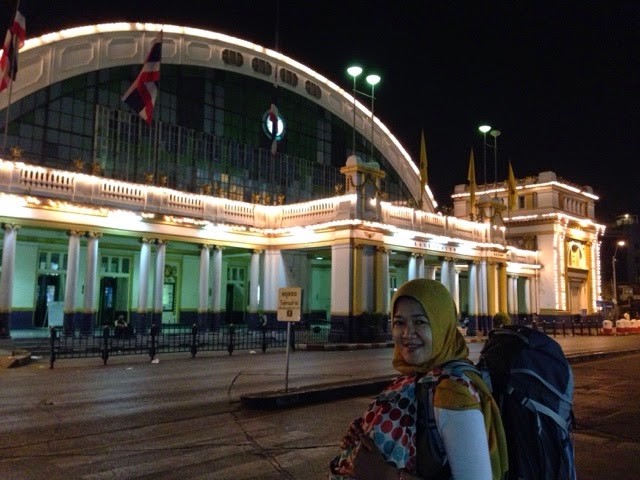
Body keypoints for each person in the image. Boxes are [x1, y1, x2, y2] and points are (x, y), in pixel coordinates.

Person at [329, 278, 508, 480]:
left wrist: (385, 474)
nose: (407, 333)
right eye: (399, 322)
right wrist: (368, 433)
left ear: (442, 325)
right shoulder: (420, 377)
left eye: (420, 322)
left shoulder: (452, 392)